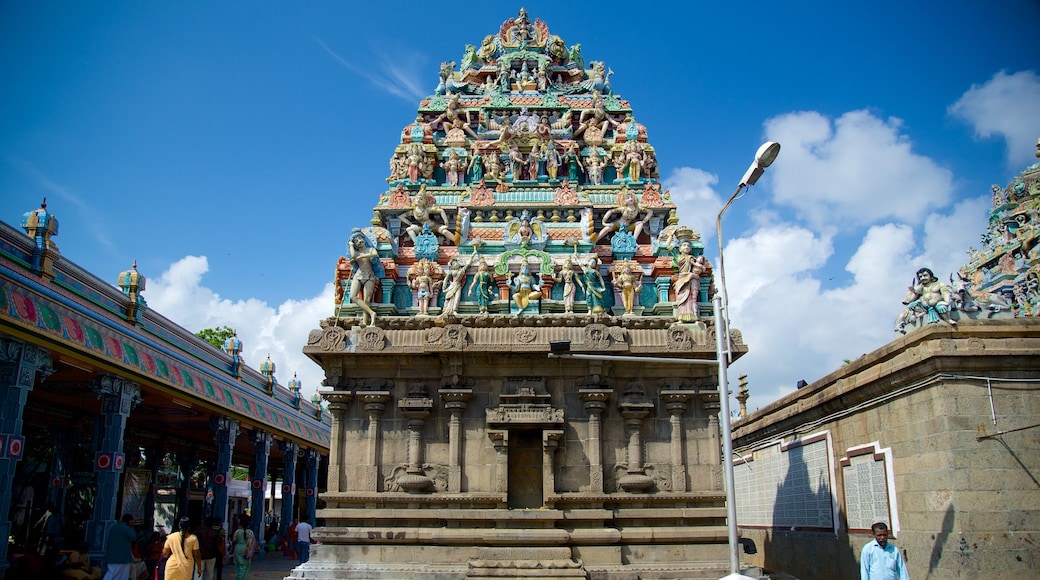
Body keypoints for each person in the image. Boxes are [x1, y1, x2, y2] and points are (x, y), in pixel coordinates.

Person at [348, 228, 383, 327]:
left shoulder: (370, 249)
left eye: (360, 239)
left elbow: (375, 254)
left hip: (369, 275)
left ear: (364, 239)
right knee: (353, 296)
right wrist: (350, 245)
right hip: (358, 275)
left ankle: (365, 321)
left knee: (367, 300)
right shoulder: (356, 253)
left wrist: (363, 257)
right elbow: (353, 255)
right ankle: (372, 313)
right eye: (356, 241)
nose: (359, 242)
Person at [672, 240, 710, 323]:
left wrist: (700, 266)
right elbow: (669, 248)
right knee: (681, 299)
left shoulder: (691, 258)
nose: (686, 247)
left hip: (690, 278)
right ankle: (681, 317)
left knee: (692, 298)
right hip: (682, 278)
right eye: (684, 245)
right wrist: (670, 237)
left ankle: (694, 316)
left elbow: (695, 264)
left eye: (688, 246)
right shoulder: (678, 257)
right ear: (680, 248)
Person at [101, 513, 137, 580]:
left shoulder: (114, 527)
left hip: (112, 557)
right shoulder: (126, 528)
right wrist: (132, 526)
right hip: (122, 558)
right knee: (121, 576)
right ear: (129, 521)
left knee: (112, 574)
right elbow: (134, 537)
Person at [231, 514, 255, 580]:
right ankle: (241, 578)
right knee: (244, 566)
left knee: (237, 564)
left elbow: (233, 540)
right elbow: (250, 543)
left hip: (237, 548)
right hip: (245, 548)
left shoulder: (237, 531)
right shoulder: (250, 532)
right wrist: (249, 551)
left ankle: (238, 577)